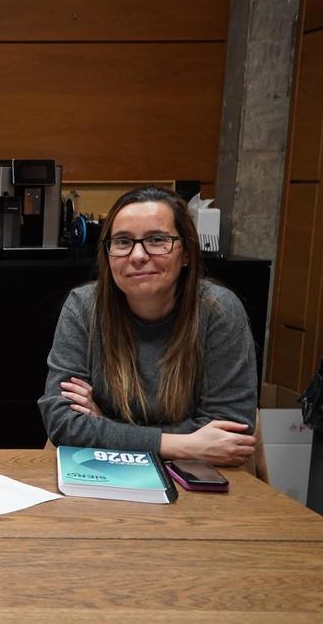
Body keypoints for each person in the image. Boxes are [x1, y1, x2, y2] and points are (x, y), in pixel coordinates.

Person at [38, 185, 258, 465]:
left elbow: (229, 436)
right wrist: (181, 445)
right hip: (104, 469)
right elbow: (63, 423)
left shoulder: (219, 310)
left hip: (196, 475)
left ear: (187, 252)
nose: (138, 255)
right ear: (107, 254)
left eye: (156, 240)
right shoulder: (83, 307)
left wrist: (104, 425)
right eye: (122, 241)